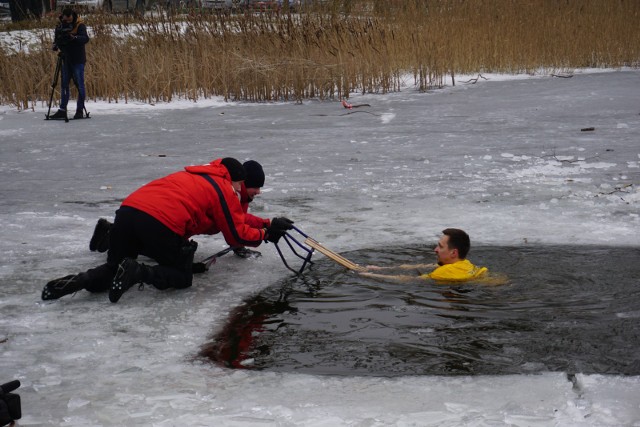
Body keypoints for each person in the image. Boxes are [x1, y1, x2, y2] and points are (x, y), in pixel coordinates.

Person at [41, 157, 294, 303]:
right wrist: (265, 235)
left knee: (112, 268)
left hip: (127, 213)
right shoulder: (224, 189)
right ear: (238, 180)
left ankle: (73, 283)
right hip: (157, 223)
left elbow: (234, 218)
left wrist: (266, 224)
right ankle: (137, 271)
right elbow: (235, 234)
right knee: (182, 276)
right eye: (246, 186)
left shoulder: (196, 176)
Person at [88, 160, 274, 259]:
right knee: (169, 259)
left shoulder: (235, 191)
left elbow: (238, 219)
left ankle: (111, 234)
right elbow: (235, 228)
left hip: (162, 220)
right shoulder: (227, 192)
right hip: (169, 222)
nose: (258, 192)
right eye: (255, 187)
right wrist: (264, 233)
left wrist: (267, 224)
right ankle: (111, 236)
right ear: (242, 184)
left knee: (154, 247)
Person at [360, 228, 488, 283]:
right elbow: (427, 265)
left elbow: (408, 280)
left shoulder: (445, 272)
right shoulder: (465, 264)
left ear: (453, 253)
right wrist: (381, 269)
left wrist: (371, 276)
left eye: (440, 246)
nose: (435, 249)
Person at [48, 8, 89, 120]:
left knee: (80, 84)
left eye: (70, 18)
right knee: (64, 85)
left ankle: (79, 110)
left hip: (78, 59)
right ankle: (62, 110)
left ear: (73, 15)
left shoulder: (80, 25)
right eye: (66, 19)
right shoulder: (60, 26)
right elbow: (57, 40)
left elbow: (85, 39)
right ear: (63, 17)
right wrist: (55, 45)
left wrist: (74, 37)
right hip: (65, 58)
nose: (68, 21)